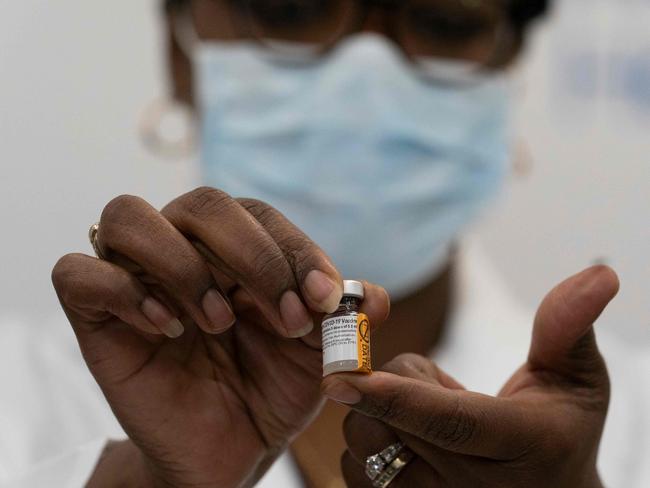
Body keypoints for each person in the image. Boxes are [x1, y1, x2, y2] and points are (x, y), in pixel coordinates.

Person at [3, 0, 650, 487]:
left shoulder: (633, 425)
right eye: (291, 9)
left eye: (446, 20)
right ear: (181, 51)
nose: (366, 79)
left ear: (511, 69)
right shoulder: (21, 397)